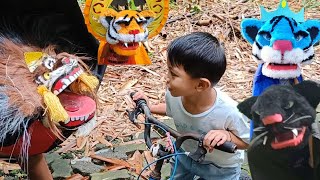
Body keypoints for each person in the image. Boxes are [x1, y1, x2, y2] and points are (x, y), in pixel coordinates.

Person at [132, 32, 250, 180]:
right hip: (185, 154)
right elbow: (171, 110)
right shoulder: (173, 95)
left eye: (173, 74)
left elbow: (247, 142)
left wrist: (227, 136)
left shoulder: (230, 112)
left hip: (219, 167)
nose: (166, 79)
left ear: (200, 84)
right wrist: (149, 107)